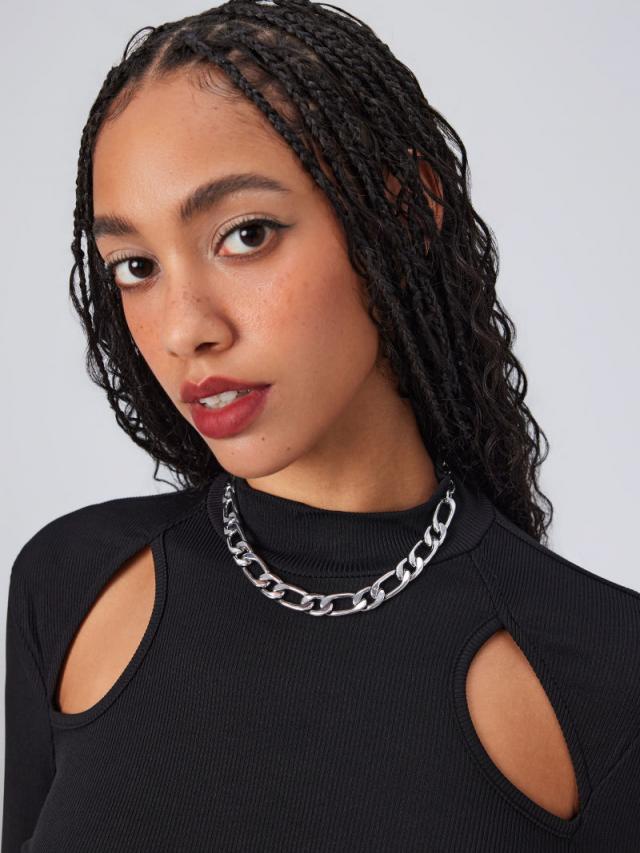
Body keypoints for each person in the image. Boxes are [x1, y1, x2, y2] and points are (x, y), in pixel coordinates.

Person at [3, 1, 639, 850]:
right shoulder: (72, 586)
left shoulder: (603, 671)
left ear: (405, 209)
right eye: (136, 265)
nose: (185, 328)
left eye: (246, 235)